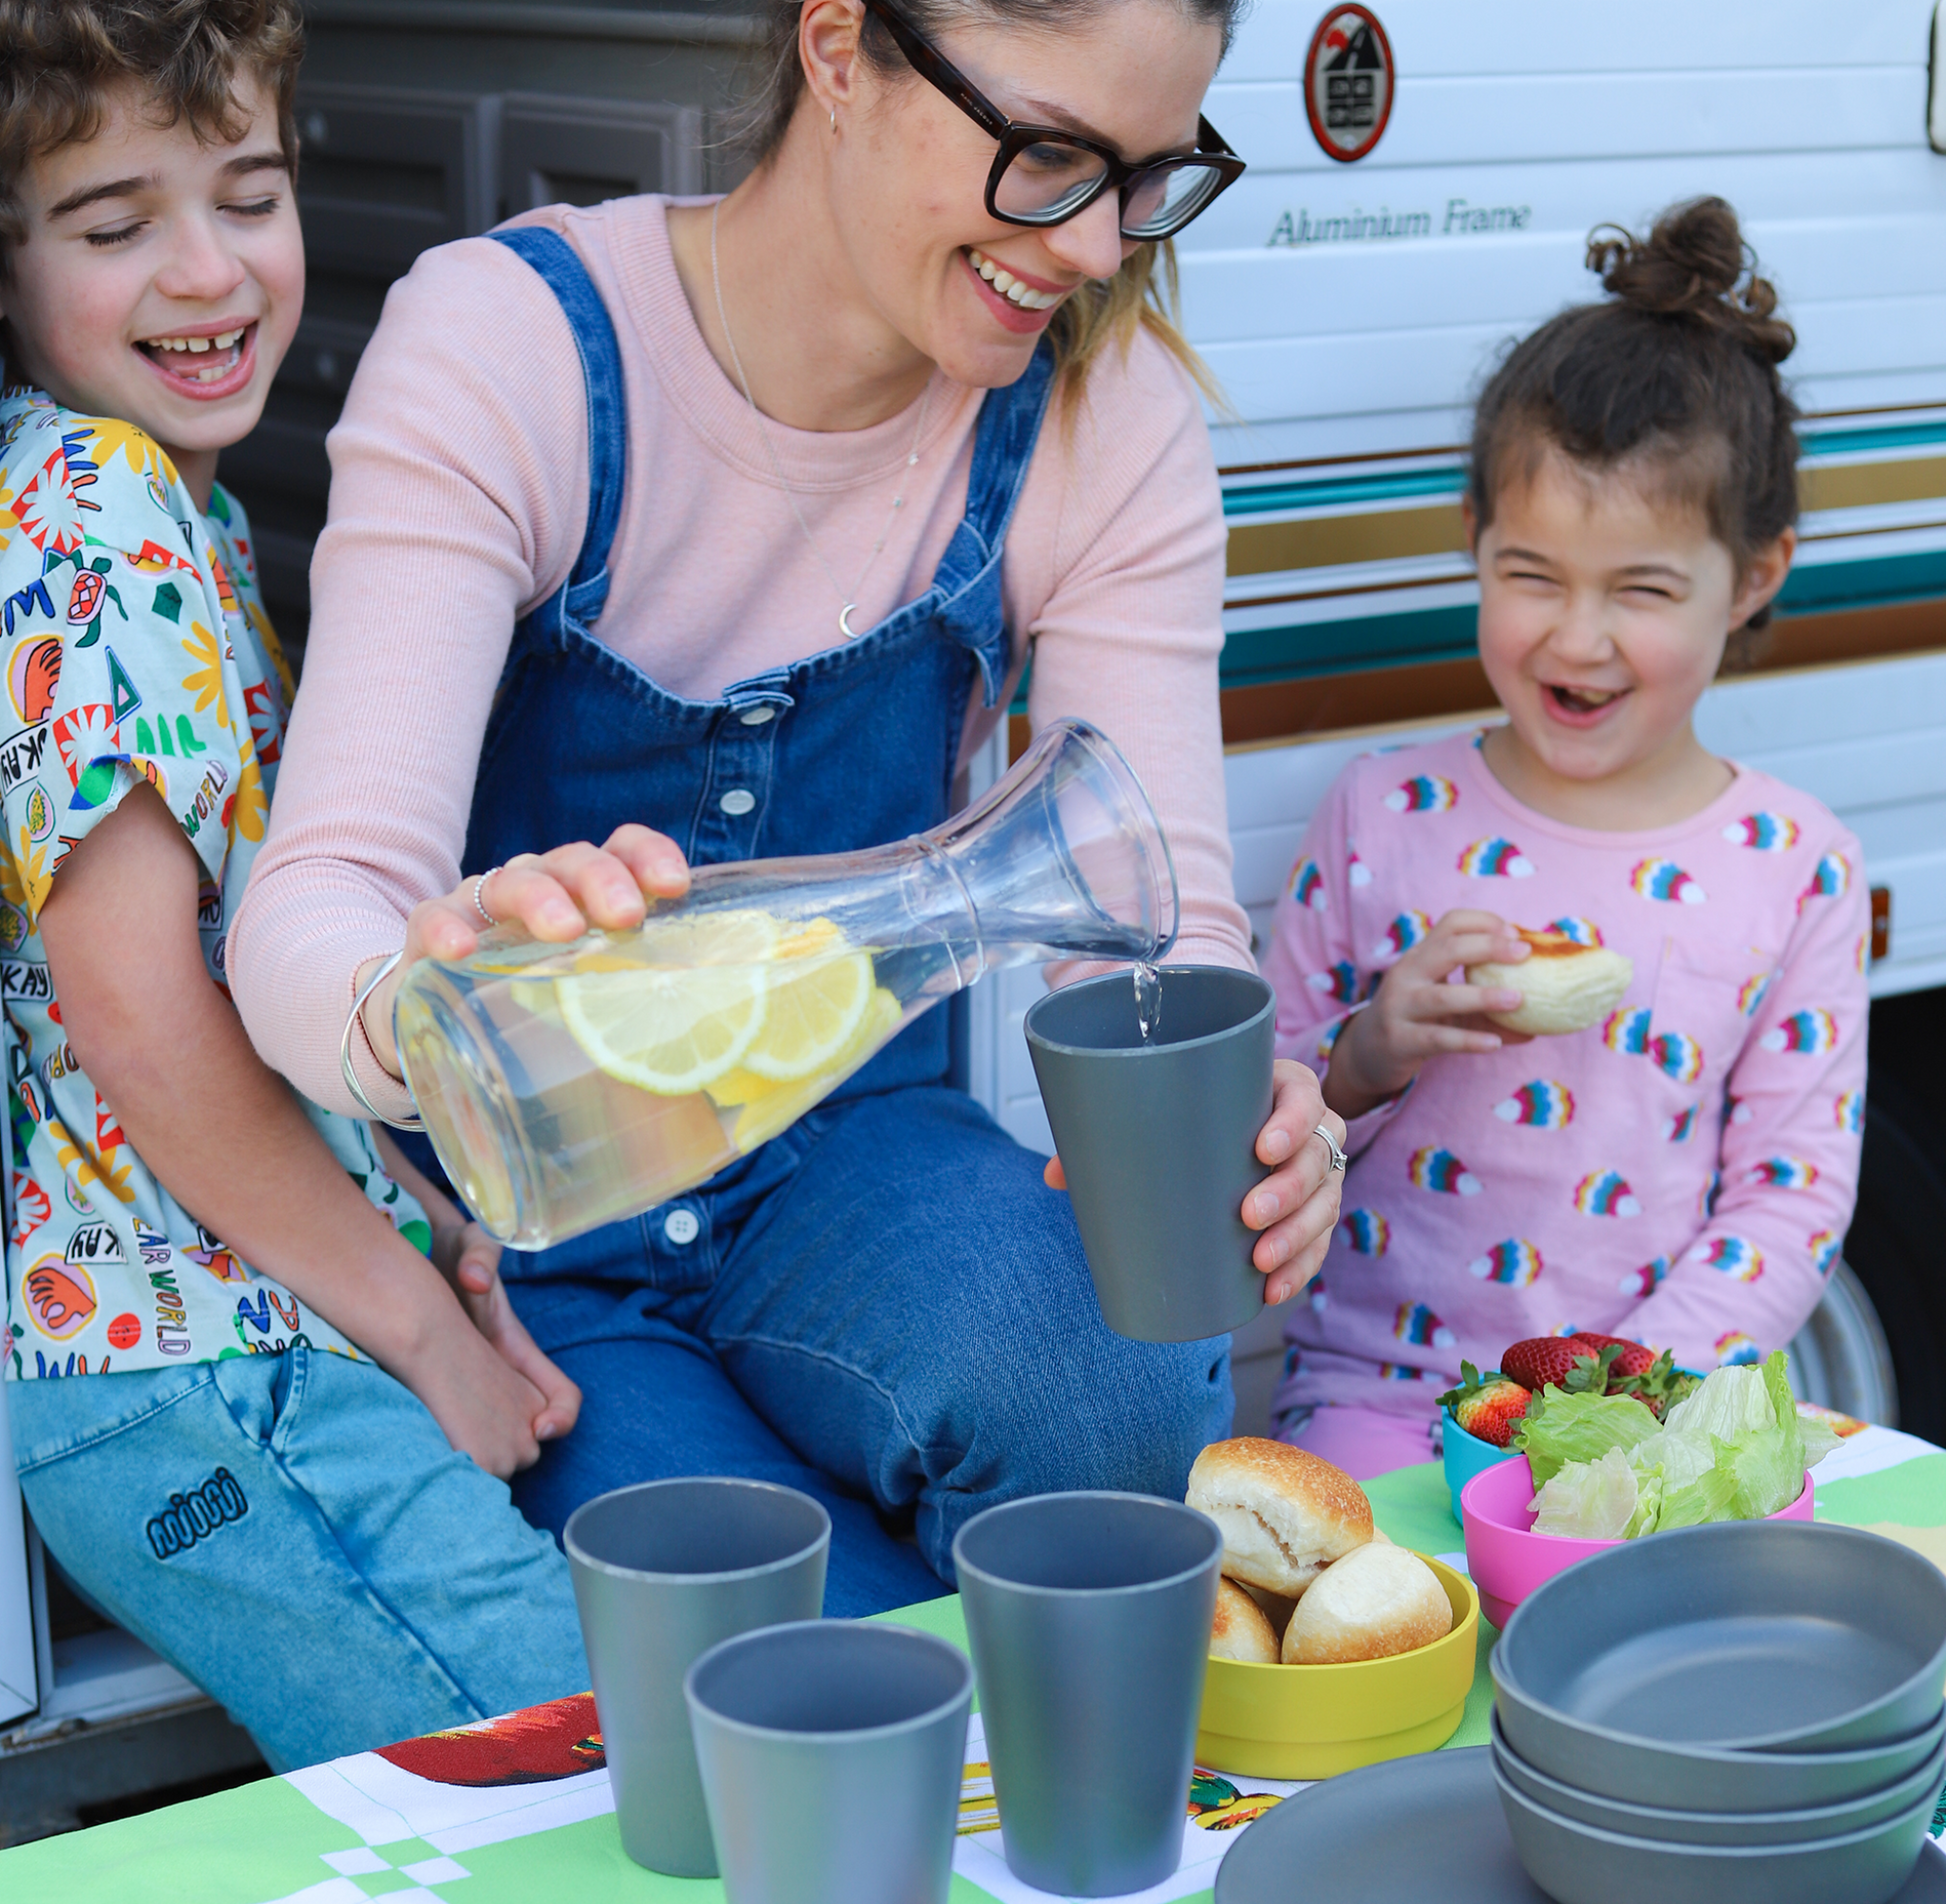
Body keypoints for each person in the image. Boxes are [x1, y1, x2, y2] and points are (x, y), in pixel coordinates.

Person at [229, 0, 1348, 1611]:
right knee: (790, 1632)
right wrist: (419, 1005)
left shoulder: (1101, 419)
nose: (1099, 246)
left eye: (1150, 175)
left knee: (1121, 1398)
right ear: (837, 47)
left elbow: (1148, 927)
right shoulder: (518, 343)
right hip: (531, 1237)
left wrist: (1246, 1116)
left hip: (856, 1165)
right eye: (1047, 155)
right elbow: (315, 894)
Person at [0, 0, 588, 1769]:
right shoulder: (96, 518)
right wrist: (424, 1334)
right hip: (195, 1378)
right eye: (115, 226)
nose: (206, 272)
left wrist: (425, 1224)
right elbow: (141, 1022)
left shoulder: (159, 502)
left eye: (246, 194)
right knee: (565, 1754)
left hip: (231, 1335)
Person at [1263, 199, 1868, 1480]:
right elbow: (1255, 1129)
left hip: (1647, 1408)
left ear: (1753, 575)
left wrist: (1620, 1406)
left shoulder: (1791, 862)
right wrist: (1369, 1049)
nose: (1574, 638)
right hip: (1377, 1393)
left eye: (1640, 588)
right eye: (1530, 573)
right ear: (1472, 537)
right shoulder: (1379, 818)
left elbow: (1788, 1195)